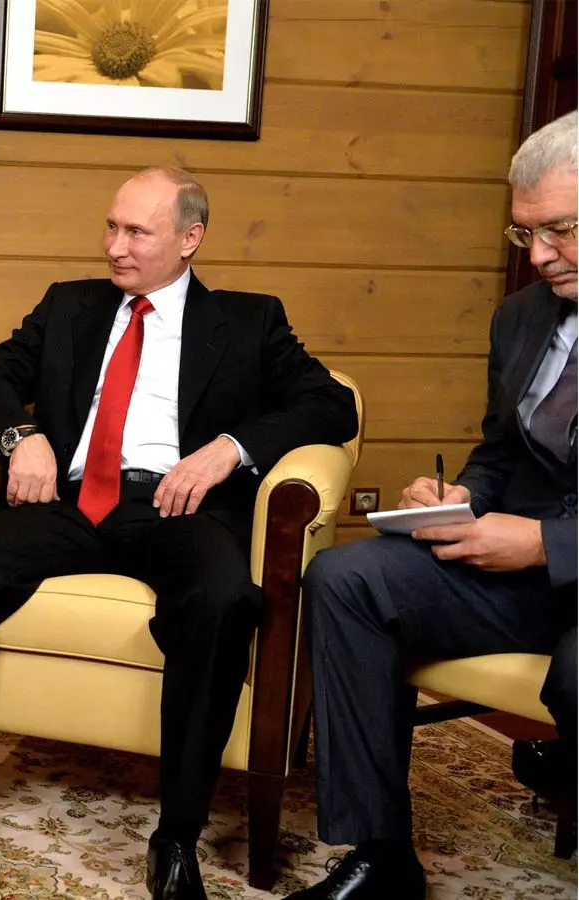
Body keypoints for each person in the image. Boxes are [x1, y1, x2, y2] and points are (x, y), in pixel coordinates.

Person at [0, 168, 360, 899]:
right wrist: (22, 437)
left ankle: (177, 835)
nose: (115, 247)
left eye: (137, 232)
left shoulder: (250, 322)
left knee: (222, 599)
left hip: (177, 508)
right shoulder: (70, 305)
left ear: (190, 239)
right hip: (69, 501)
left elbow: (331, 405)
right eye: (111, 227)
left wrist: (229, 449)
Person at [287, 111, 578, 900]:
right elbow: (500, 452)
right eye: (527, 233)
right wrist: (461, 497)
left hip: (556, 566)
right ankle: (381, 858)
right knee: (347, 579)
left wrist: (548, 544)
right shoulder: (521, 317)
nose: (539, 254)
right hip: (519, 578)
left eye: (560, 230)